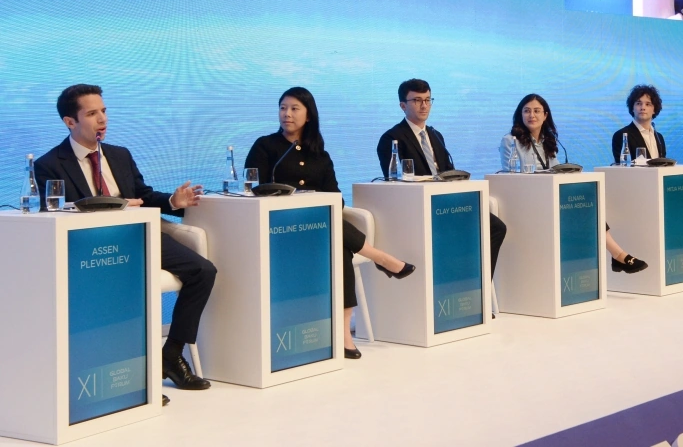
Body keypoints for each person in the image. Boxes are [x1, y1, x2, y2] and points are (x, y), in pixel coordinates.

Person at [34, 85, 214, 406]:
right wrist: (115, 206)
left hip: (139, 236)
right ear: (69, 122)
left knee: (203, 271)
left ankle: (171, 355)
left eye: (103, 111)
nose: (102, 119)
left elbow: (143, 196)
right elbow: (57, 211)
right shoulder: (50, 163)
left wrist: (173, 201)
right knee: (124, 287)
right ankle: (131, 379)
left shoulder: (119, 154)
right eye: (92, 113)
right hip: (93, 247)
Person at [246, 87, 416, 359]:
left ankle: (344, 332)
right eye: (283, 108)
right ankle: (380, 257)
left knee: (340, 249)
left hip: (316, 229)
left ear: (308, 115)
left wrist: (316, 201)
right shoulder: (265, 146)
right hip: (280, 228)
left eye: (294, 109)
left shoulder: (320, 154)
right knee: (334, 237)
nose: (287, 114)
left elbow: (336, 198)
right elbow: (254, 188)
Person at [501, 94, 647, 274]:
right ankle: (619, 256)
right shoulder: (510, 140)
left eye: (537, 111)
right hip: (528, 199)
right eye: (527, 111)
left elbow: (556, 170)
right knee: (584, 209)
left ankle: (615, 256)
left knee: (587, 205)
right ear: (520, 114)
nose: (532, 115)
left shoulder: (547, 140)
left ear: (545, 115)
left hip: (549, 196)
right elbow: (510, 176)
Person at [377, 79, 508, 281]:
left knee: (496, 227)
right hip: (421, 206)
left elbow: (447, 171)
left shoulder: (435, 135)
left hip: (449, 202)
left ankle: (477, 285)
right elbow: (394, 182)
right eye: (417, 100)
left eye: (428, 100)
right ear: (403, 105)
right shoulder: (392, 138)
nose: (424, 105)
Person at [611, 85, 683, 271]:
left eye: (648, 104)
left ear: (655, 109)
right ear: (632, 107)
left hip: (662, 189)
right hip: (640, 193)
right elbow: (624, 170)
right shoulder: (622, 135)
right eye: (638, 103)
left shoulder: (659, 136)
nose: (643, 107)